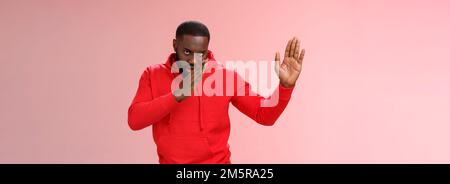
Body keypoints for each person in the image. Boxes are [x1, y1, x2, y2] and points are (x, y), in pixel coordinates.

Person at [127, 21, 306, 163]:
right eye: (187, 52)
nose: (194, 61)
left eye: (201, 54)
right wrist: (176, 96)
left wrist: (285, 87)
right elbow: (135, 120)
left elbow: (264, 115)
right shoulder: (152, 74)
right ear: (175, 45)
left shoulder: (225, 77)